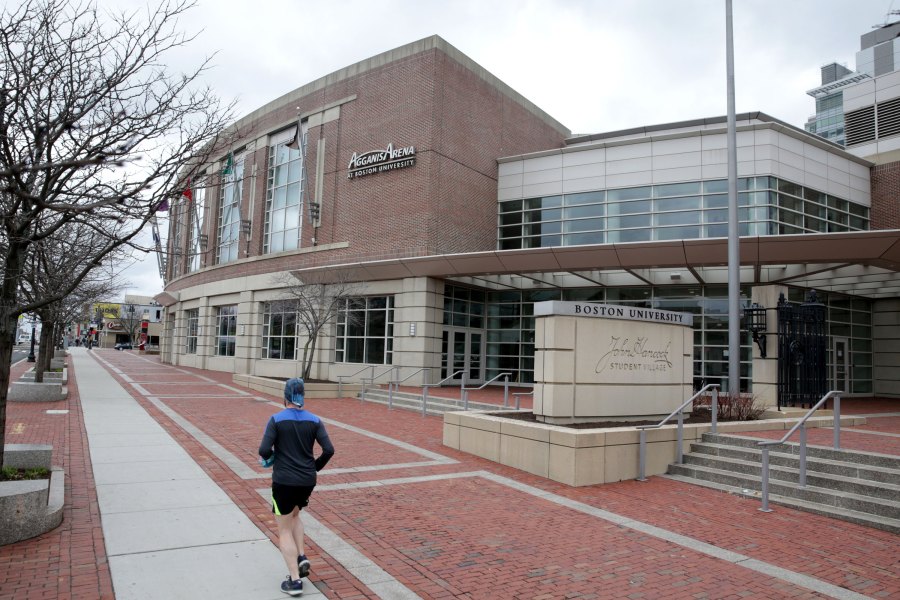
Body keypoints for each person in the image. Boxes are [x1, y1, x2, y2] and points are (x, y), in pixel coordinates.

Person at [259, 377, 334, 597]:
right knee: (295, 516)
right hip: (307, 481)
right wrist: (314, 467)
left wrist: (272, 458)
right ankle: (301, 556)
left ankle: (294, 580)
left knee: (283, 528)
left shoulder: (276, 419)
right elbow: (329, 449)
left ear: (285, 396)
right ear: (302, 396)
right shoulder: (315, 420)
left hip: (284, 481)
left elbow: (264, 450)